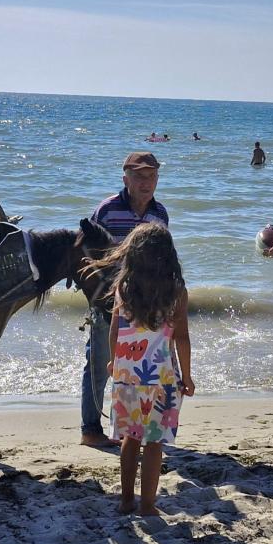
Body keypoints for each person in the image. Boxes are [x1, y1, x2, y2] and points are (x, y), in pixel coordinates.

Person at [84, 222, 193, 515]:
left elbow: (115, 330)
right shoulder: (176, 291)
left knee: (130, 438)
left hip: (128, 374)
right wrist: (188, 375)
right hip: (162, 378)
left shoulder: (124, 288)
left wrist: (112, 361)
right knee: (155, 442)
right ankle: (147, 505)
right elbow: (181, 337)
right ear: (168, 256)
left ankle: (125, 501)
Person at [81, 152, 169, 447]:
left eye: (151, 176)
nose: (146, 182)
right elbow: (85, 258)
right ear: (125, 179)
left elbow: (163, 261)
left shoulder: (160, 215)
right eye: (139, 176)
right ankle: (91, 429)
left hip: (146, 305)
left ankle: (132, 428)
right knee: (100, 362)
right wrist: (98, 296)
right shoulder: (106, 211)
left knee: (139, 369)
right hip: (108, 302)